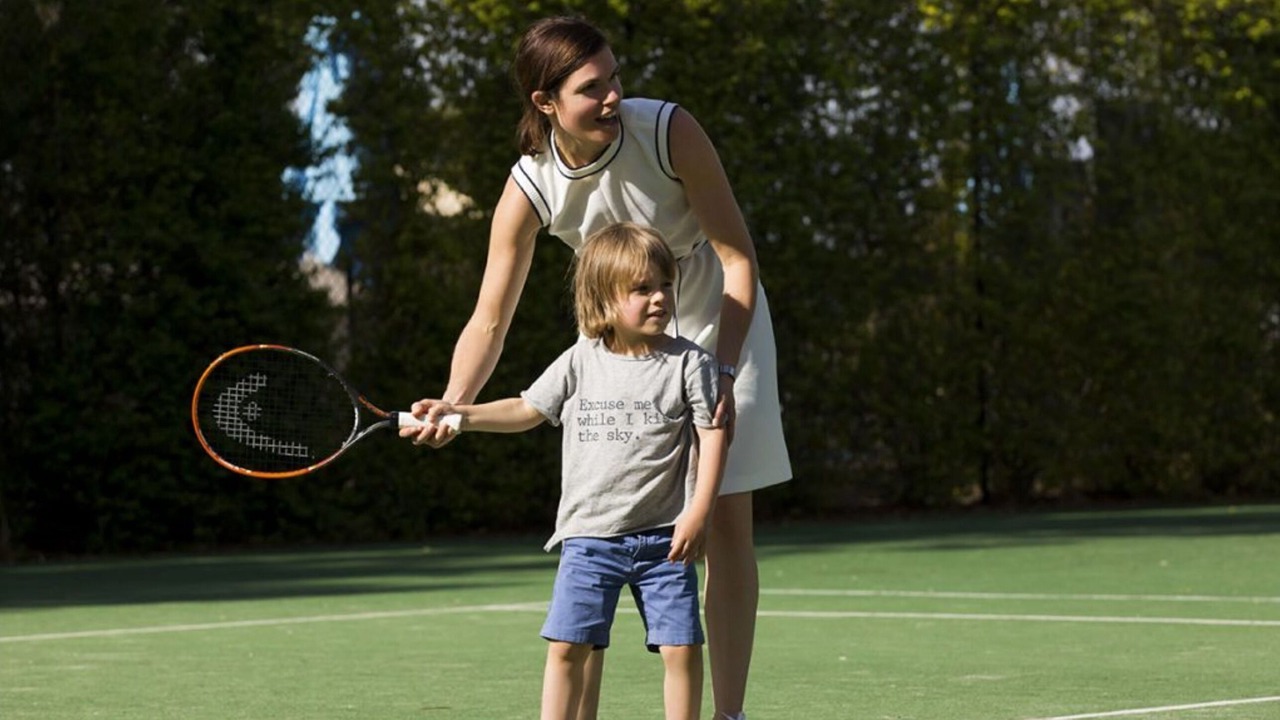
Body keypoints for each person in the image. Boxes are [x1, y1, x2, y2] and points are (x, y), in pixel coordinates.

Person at [403, 16, 791, 720]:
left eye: (615, 78)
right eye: (592, 88)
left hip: (719, 316)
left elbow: (738, 259)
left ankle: (728, 715)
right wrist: (455, 403)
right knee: (607, 527)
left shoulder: (668, 130)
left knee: (726, 520)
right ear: (545, 102)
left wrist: (722, 370)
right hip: (621, 336)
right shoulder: (530, 186)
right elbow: (489, 319)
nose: (613, 95)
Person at [406, 223, 728, 720]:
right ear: (604, 298)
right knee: (566, 649)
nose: (659, 297)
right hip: (588, 540)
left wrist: (699, 512)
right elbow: (526, 409)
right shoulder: (579, 361)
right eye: (641, 288)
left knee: (682, 649)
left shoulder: (691, 364)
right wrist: (459, 414)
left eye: (665, 284)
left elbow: (714, 435)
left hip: (666, 541)